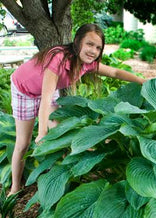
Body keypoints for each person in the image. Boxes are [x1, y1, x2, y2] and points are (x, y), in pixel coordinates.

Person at [9, 23, 145, 195]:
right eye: (89, 44)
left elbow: (115, 73)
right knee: (23, 143)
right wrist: (42, 131)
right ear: (77, 41)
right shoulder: (58, 58)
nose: (93, 51)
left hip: (47, 92)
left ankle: (69, 176)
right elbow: (45, 98)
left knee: (62, 134)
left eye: (98, 47)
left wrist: (142, 82)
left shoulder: (87, 64)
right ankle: (14, 188)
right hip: (24, 90)